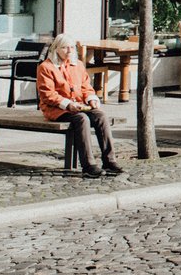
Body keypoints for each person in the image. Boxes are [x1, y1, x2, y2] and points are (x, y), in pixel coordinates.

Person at [36, 35, 121, 178]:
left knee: (101, 115)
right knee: (82, 119)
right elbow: (47, 95)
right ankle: (88, 165)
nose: (69, 50)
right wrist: (68, 104)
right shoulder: (46, 67)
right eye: (64, 47)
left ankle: (109, 160)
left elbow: (86, 86)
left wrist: (91, 99)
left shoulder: (78, 65)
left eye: (71, 47)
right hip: (56, 109)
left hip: (79, 105)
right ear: (56, 49)